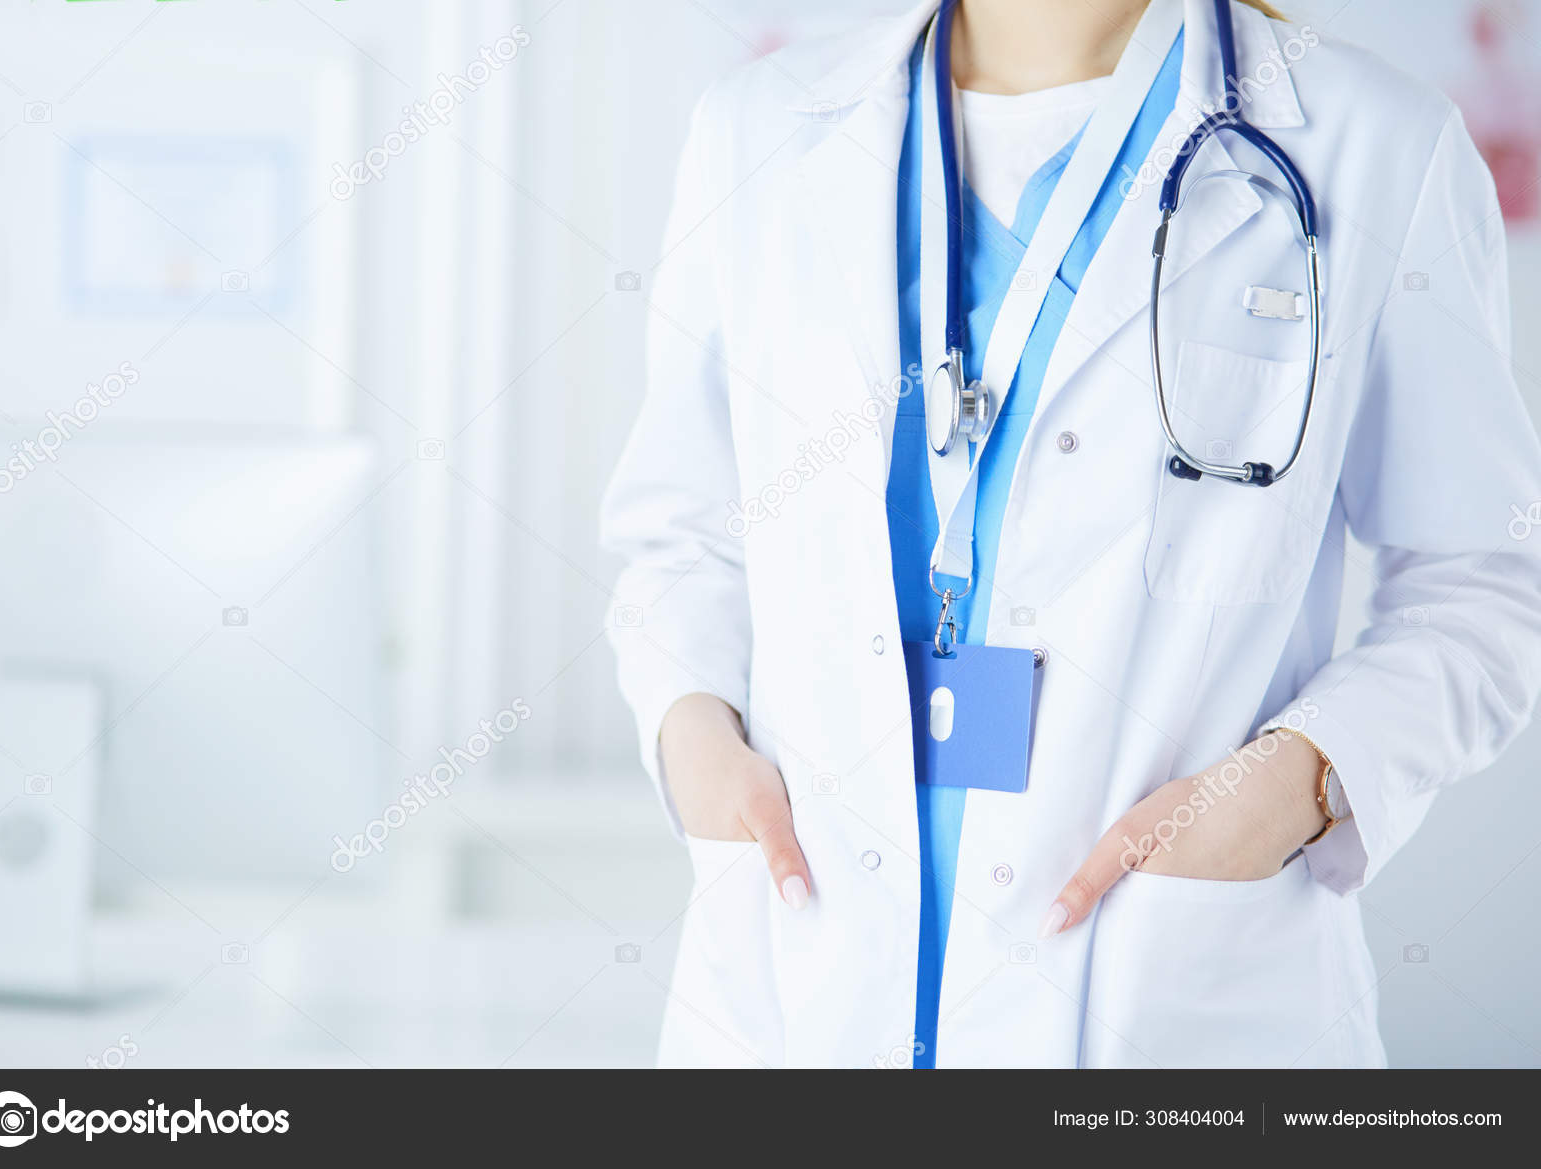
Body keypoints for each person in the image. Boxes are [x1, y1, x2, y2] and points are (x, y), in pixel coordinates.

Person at [601, 0, 1541, 1067]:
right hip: (791, 980)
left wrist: (1297, 784)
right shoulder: (760, 128)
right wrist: (692, 737)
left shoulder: (1373, 143)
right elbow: (681, 533)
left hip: (1165, 1004)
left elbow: (1481, 581)